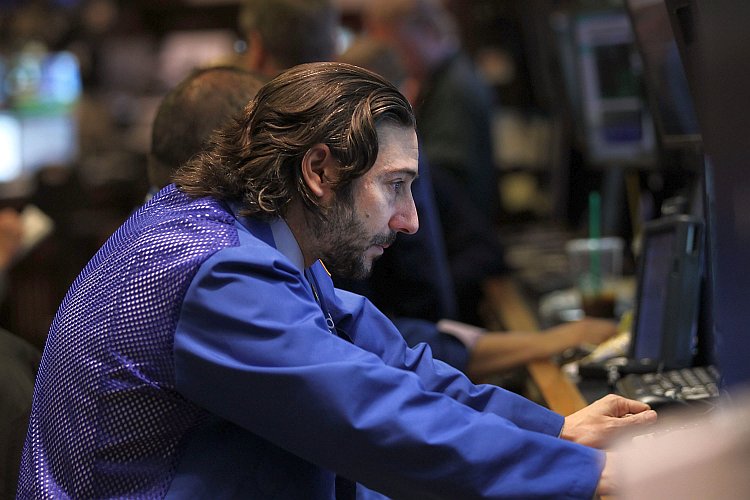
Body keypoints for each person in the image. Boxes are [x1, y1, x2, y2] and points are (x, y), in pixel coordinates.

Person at [19, 62, 656, 499]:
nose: (409, 221)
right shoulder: (213, 271)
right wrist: (587, 476)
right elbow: (373, 418)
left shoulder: (254, 236)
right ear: (321, 169)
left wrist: (556, 432)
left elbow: (391, 367)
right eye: (396, 186)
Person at [363, 0, 511, 324]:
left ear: (427, 31)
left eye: (399, 46)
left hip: (455, 259)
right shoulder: (444, 80)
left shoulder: (455, 88)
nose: (399, 59)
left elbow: (440, 180)